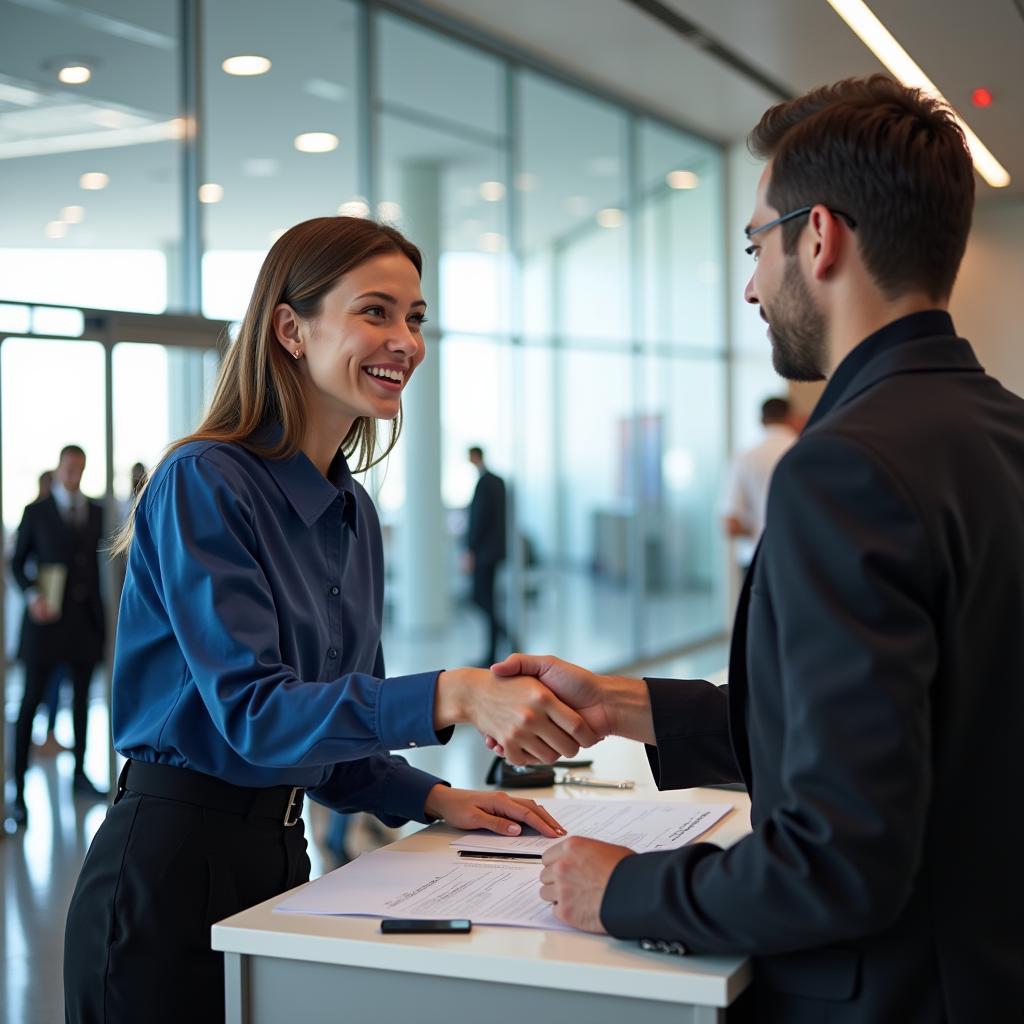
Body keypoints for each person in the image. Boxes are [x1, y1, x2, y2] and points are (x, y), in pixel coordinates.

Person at [492, 76, 1024, 1020]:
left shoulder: (846, 469)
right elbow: (920, 726)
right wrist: (628, 706)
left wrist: (622, 888)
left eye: (754, 244)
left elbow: (840, 861)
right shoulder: (999, 430)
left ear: (818, 238)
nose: (749, 284)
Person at [63, 217, 596, 1023]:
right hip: (169, 870)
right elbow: (256, 717)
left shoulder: (353, 512)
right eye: (375, 312)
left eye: (415, 318)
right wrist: (453, 693)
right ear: (290, 328)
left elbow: (332, 744)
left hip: (281, 857)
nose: (405, 341)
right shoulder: (204, 481)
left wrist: (437, 799)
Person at [10, 446, 106, 825]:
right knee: (31, 702)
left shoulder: (95, 511)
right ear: (59, 468)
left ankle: (80, 773)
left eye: (80, 468)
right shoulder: (36, 512)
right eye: (69, 468)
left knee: (81, 702)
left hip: (83, 624)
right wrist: (33, 595)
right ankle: (17, 792)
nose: (74, 474)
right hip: (46, 624)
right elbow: (17, 563)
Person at [721, 396, 796, 574]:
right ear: (790, 417)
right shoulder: (803, 449)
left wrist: (757, 531)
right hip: (796, 559)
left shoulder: (745, 458)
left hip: (755, 559)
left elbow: (730, 524)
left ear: (761, 420)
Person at [465, 445, 509, 664]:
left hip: (483, 553)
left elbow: (479, 520)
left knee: (480, 598)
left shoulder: (484, 483)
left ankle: (504, 639)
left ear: (475, 457)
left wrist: (470, 549)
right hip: (497, 550)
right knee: (487, 599)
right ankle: (499, 646)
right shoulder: (498, 481)